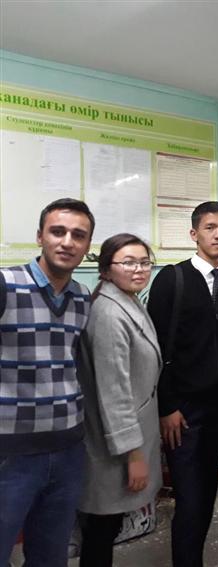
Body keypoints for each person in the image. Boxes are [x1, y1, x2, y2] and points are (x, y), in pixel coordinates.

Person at [0, 198, 94, 567]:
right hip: (11, 454)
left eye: (78, 235)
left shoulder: (82, 297)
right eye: (58, 231)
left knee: (51, 558)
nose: (67, 242)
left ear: (87, 246)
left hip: (68, 450)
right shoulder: (6, 284)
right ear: (40, 236)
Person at [147, 201, 218, 567]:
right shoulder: (172, 279)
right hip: (181, 412)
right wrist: (167, 406)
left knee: (207, 495)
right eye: (210, 227)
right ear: (194, 234)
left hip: (217, 409)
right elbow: (156, 348)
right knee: (188, 499)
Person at [77, 233, 162, 567]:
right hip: (116, 446)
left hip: (128, 437)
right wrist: (134, 455)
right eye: (128, 263)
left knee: (106, 527)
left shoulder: (126, 300)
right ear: (106, 269)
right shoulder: (108, 314)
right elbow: (115, 393)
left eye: (144, 262)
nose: (138, 269)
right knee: (101, 529)